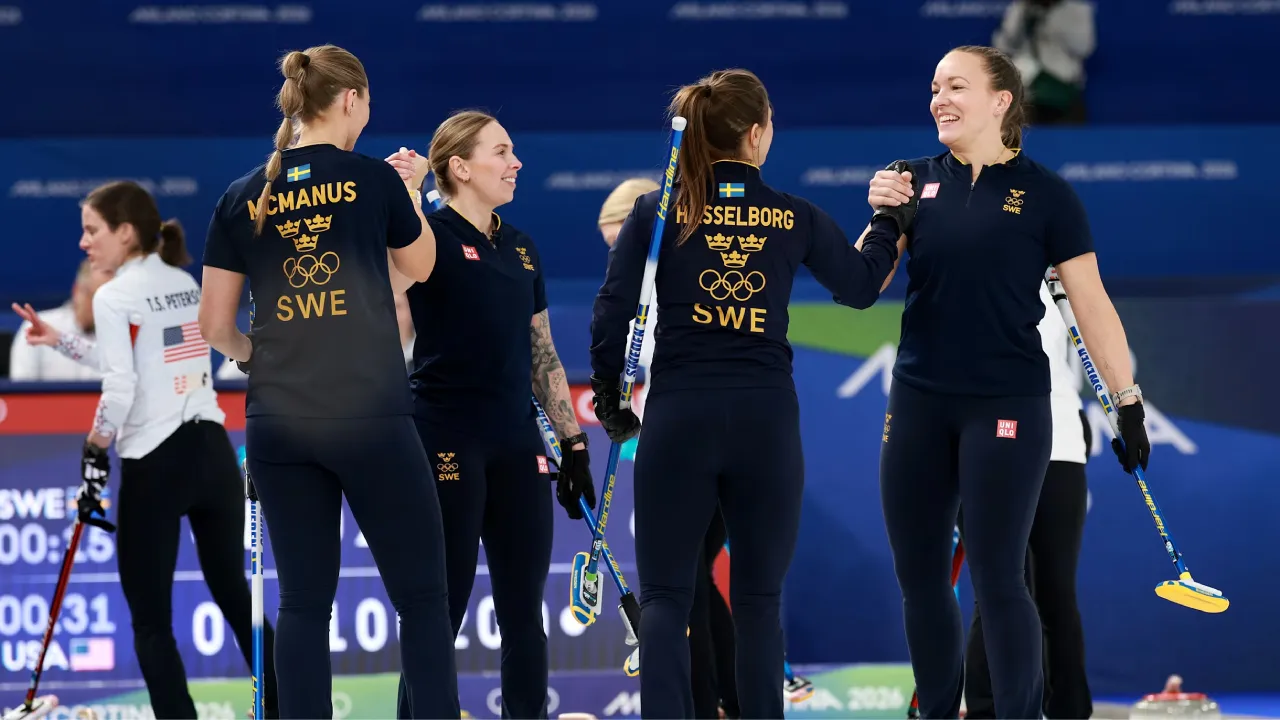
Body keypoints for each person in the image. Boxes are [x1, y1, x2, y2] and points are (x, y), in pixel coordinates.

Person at [589, 68, 908, 719]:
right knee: (760, 602)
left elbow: (611, 312)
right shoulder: (793, 214)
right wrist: (888, 219)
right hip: (764, 421)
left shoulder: (657, 211)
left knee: (665, 598)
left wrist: (609, 400)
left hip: (679, 415)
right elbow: (861, 285)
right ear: (757, 135)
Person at [866, 45, 1149, 719]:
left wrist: (1127, 401)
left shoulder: (1048, 195)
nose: (938, 99)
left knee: (999, 577)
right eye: (934, 87)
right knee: (921, 580)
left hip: (1007, 403)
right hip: (919, 402)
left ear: (1001, 101)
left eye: (955, 86)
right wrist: (878, 217)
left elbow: (1092, 305)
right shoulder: (910, 179)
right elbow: (859, 286)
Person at [197, 44, 459, 719]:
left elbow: (215, 326)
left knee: (304, 605)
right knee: (422, 599)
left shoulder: (242, 194)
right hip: (370, 416)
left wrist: (259, 359)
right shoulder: (372, 180)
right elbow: (422, 268)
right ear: (351, 100)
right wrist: (410, 193)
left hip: (280, 422)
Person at [384, 110, 596, 720]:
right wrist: (407, 195)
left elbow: (541, 349)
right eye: (501, 152)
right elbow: (392, 273)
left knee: (524, 611)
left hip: (516, 441)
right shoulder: (429, 233)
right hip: (445, 434)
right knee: (440, 608)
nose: (516, 162)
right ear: (460, 167)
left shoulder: (522, 247)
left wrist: (573, 443)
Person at [60, 179, 281, 719]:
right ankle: (288, 708)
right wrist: (59, 339)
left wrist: (94, 448)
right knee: (236, 594)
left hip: (155, 464)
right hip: (211, 452)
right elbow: (138, 360)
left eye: (92, 230)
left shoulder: (113, 295)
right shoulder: (182, 281)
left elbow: (120, 387)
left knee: (151, 621)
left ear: (125, 232)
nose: (84, 243)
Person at [601, 177, 741, 719]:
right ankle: (728, 701)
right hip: (693, 436)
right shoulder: (643, 283)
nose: (618, 258)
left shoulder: (677, 275)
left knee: (686, 583)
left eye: (621, 244)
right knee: (694, 578)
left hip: (706, 438)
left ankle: (712, 704)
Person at [960, 282, 1093, 719]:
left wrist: (1123, 405)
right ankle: (987, 710)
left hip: (1059, 443)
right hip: (988, 442)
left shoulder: (1060, 273)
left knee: (1055, 592)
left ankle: (1069, 711)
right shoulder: (965, 267)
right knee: (996, 588)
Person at [9, 259, 113, 381]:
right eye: (95, 298)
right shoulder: (38, 329)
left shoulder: (120, 337)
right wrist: (58, 339)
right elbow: (21, 389)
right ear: (77, 290)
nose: (101, 308)